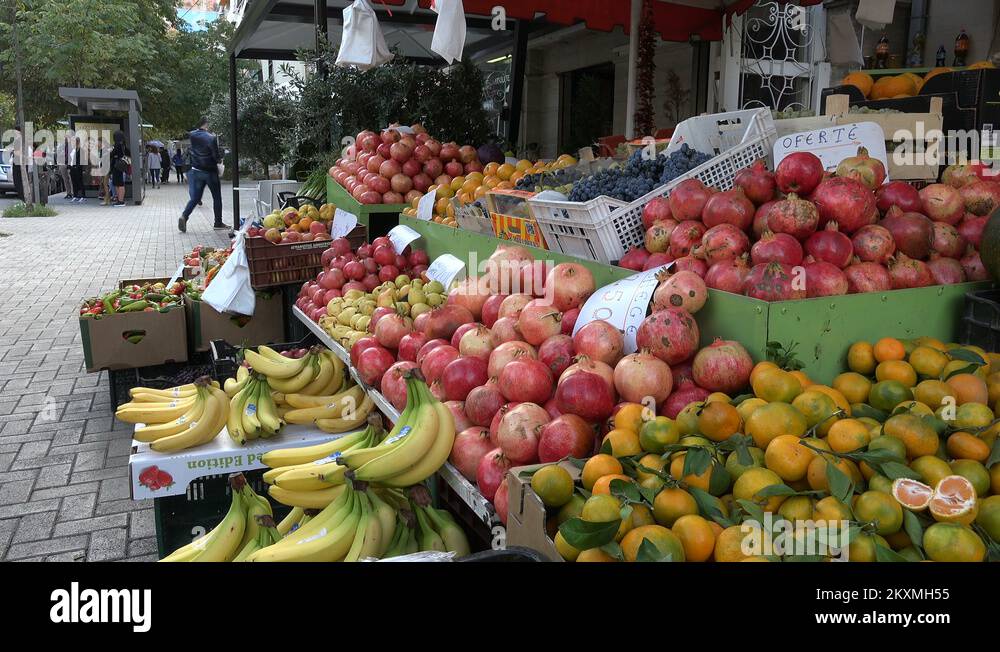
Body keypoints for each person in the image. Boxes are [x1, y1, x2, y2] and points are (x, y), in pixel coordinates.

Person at [179, 117, 226, 232]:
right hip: (210, 171)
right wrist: (220, 160)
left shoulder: (193, 135)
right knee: (217, 197)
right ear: (207, 124)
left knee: (195, 198)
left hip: (197, 170)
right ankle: (218, 222)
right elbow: (215, 157)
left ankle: (184, 216)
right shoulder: (212, 138)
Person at [109, 130, 130, 206]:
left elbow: (112, 154)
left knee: (119, 184)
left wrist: (110, 152)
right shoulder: (123, 145)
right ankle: (120, 200)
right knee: (118, 183)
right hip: (120, 166)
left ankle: (120, 201)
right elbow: (128, 153)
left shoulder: (117, 145)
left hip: (117, 166)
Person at [57, 134, 73, 200]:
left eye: (67, 138)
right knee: (65, 179)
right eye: (65, 138)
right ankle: (68, 193)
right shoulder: (61, 146)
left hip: (70, 164)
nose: (66, 139)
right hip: (62, 163)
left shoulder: (72, 146)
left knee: (71, 179)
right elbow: (58, 154)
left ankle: (73, 192)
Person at [70, 136, 85, 202]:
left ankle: (83, 196)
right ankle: (75, 196)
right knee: (74, 182)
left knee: (80, 182)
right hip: (72, 168)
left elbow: (82, 160)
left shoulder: (81, 150)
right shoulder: (73, 149)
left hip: (78, 168)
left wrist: (77, 166)